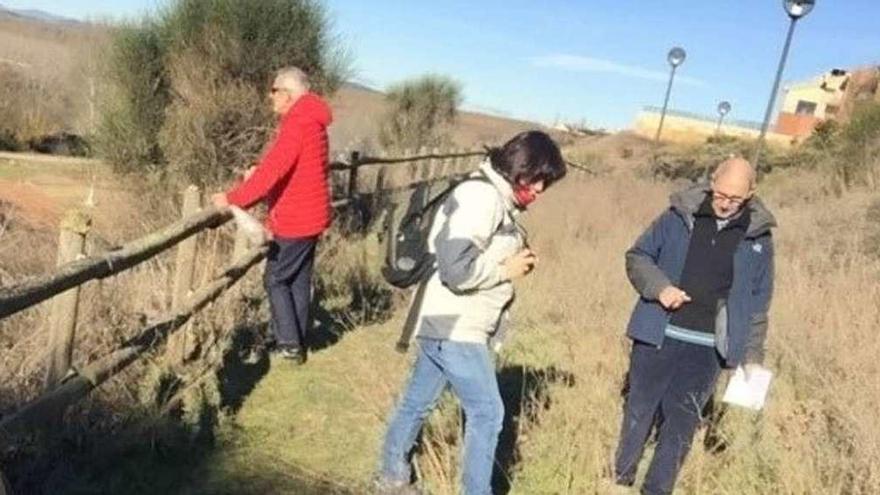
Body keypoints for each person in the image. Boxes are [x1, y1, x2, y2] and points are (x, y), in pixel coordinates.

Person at [375, 131, 567, 495]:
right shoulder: (482, 197)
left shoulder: (495, 197)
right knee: (488, 414)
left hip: (444, 320)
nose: (541, 189)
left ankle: (390, 476)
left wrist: (511, 264)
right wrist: (505, 270)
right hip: (457, 325)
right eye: (539, 178)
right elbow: (456, 269)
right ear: (521, 168)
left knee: (418, 401)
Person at [612, 157, 776, 494]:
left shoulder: (759, 237)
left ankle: (657, 489)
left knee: (682, 423)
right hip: (658, 333)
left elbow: (759, 302)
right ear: (711, 181)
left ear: (751, 194)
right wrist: (660, 288)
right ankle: (619, 479)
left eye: (735, 199)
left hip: (708, 350)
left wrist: (752, 355)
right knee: (639, 411)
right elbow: (638, 256)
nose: (726, 203)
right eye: (720, 194)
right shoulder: (677, 215)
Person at [212, 67, 333, 364]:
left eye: (274, 90)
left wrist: (231, 197)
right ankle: (297, 339)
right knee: (298, 281)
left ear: (288, 94)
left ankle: (290, 345)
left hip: (296, 218)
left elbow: (273, 171)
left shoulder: (298, 124)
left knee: (275, 279)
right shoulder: (313, 122)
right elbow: (288, 167)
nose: (270, 97)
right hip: (312, 216)